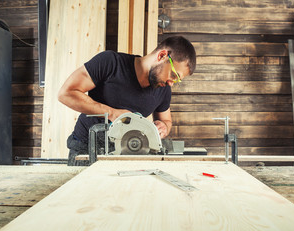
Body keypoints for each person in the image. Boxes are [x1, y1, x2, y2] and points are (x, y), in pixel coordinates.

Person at [58, 36, 196, 166]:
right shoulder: (111, 62)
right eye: (173, 75)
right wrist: (113, 114)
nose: (172, 83)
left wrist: (164, 127)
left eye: (177, 80)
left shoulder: (163, 89)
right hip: (86, 150)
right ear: (162, 56)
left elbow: (166, 120)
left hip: (127, 154)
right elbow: (66, 93)